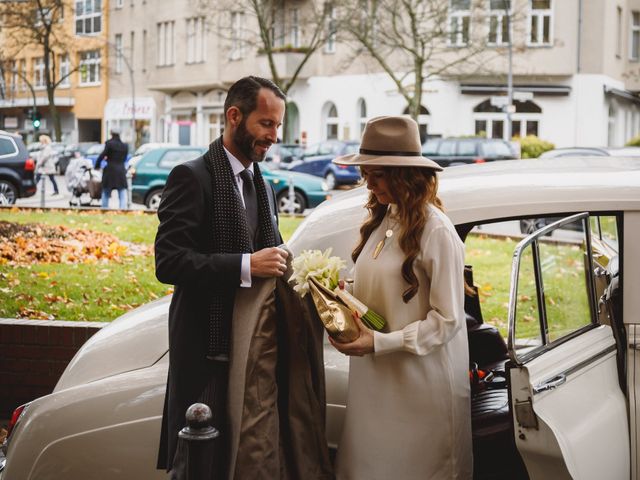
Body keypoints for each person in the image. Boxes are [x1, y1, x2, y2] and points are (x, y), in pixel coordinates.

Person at [155, 76, 333, 479]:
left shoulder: (263, 185)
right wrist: (244, 265)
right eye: (266, 124)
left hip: (257, 353)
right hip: (207, 350)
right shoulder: (191, 177)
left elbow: (276, 254)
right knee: (201, 463)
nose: (274, 135)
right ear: (234, 116)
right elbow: (169, 262)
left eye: (277, 125)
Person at [330, 116, 472, 479]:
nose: (368, 182)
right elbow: (383, 292)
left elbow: (448, 320)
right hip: (374, 383)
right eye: (366, 172)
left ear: (403, 175)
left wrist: (380, 342)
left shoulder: (436, 230)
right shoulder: (383, 219)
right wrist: (343, 296)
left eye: (377, 173)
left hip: (418, 388)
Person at [96, 128, 128, 209]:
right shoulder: (124, 146)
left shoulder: (109, 144)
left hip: (110, 170)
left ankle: (105, 209)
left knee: (106, 190)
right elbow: (124, 158)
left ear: (111, 134)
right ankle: (123, 209)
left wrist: (97, 165)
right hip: (121, 170)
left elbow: (102, 155)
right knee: (122, 191)